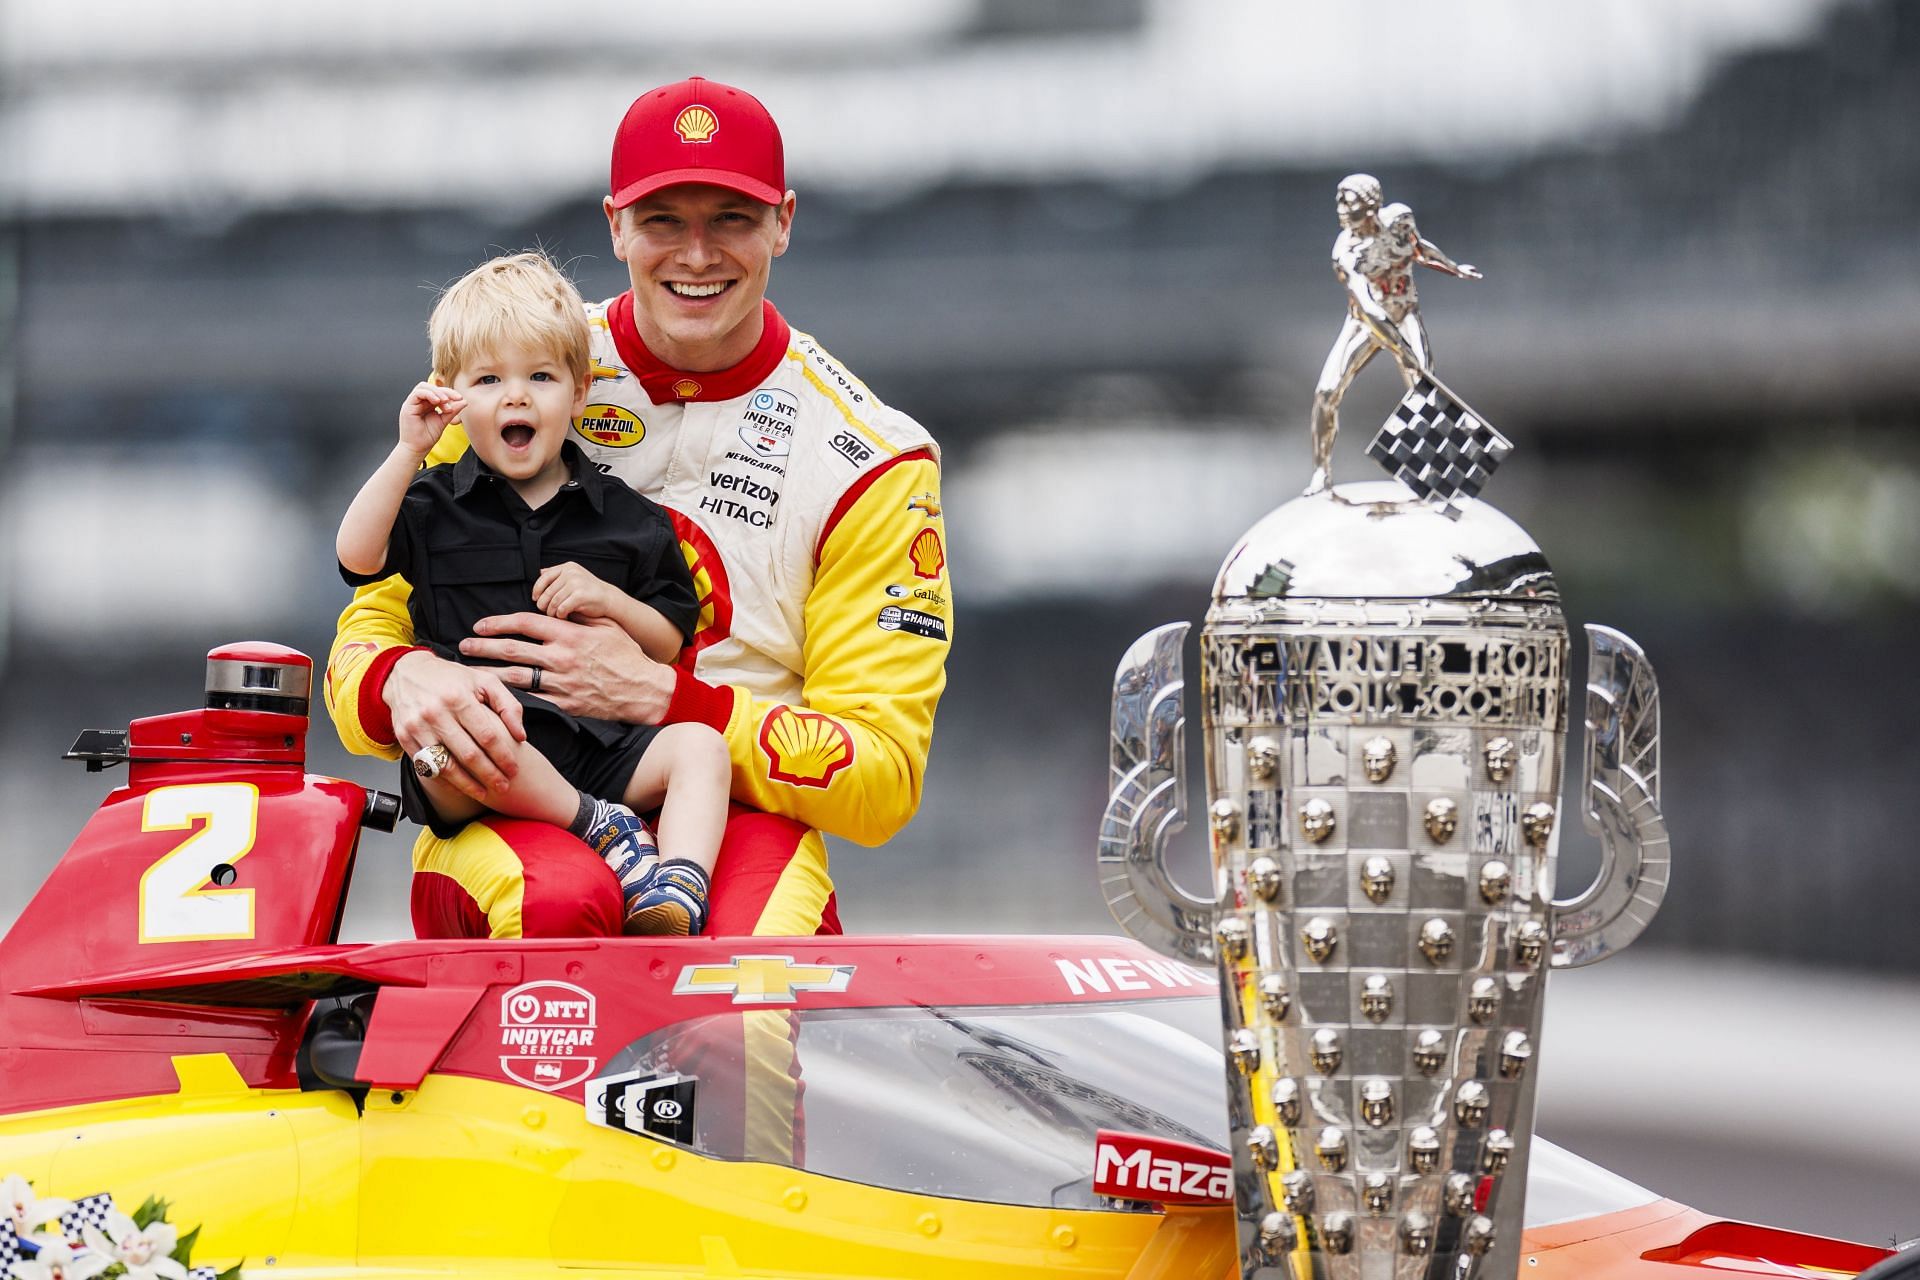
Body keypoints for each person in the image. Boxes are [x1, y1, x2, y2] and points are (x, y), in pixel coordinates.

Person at [324, 76, 950, 942]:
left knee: (752, 962)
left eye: (731, 217)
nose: (696, 255)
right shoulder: (514, 365)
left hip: (725, 804)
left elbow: (880, 779)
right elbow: (362, 640)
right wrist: (407, 680)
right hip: (515, 791)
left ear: (785, 222)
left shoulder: (875, 459)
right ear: (616, 223)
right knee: (555, 905)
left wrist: (667, 697)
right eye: (664, 221)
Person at [335, 251, 728, 936]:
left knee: (702, 747)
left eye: (540, 377)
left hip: (602, 747)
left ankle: (679, 886)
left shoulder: (629, 518)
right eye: (489, 380)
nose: (516, 396)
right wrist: (407, 450)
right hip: (480, 758)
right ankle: (599, 827)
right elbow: (355, 556)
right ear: (450, 396)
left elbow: (669, 640)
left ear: (578, 394)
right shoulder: (430, 501)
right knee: (446, 745)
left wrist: (610, 601)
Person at [1307, 174, 1481, 493]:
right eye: (1339, 200)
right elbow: (1370, 310)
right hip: (1365, 322)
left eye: (1349, 200)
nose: (1341, 208)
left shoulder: (1399, 221)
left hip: (1403, 313)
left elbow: (1419, 250)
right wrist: (1403, 351)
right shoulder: (1346, 254)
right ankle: (1321, 472)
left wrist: (1454, 267)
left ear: (1371, 205)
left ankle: (1437, 473)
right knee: (1327, 392)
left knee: (1424, 386)